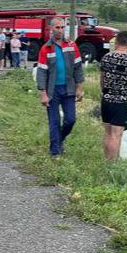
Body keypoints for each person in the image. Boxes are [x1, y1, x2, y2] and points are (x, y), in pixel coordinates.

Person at [36, 17, 84, 157]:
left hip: (69, 88)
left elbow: (78, 68)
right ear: (51, 29)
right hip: (52, 91)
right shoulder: (46, 48)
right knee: (54, 121)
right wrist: (43, 93)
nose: (61, 30)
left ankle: (60, 139)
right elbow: (41, 72)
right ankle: (55, 152)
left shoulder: (71, 45)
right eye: (57, 27)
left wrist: (79, 88)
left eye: (63, 27)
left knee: (70, 120)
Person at [99, 31, 127, 160]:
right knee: (116, 134)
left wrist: (105, 92)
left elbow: (102, 79)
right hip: (121, 100)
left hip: (106, 99)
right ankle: (112, 164)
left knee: (108, 133)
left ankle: (106, 159)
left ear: (117, 41)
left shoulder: (106, 57)